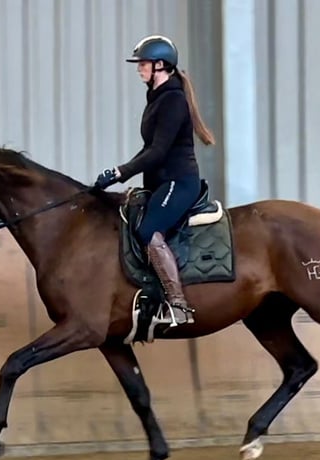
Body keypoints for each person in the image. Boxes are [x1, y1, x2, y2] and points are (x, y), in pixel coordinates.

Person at [94, 35, 215, 325]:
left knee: (148, 230)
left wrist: (120, 172)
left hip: (179, 181)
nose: (139, 69)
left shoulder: (172, 100)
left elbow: (158, 152)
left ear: (161, 65)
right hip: (161, 182)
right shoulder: (158, 99)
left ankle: (178, 305)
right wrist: (119, 174)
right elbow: (150, 149)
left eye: (144, 64)